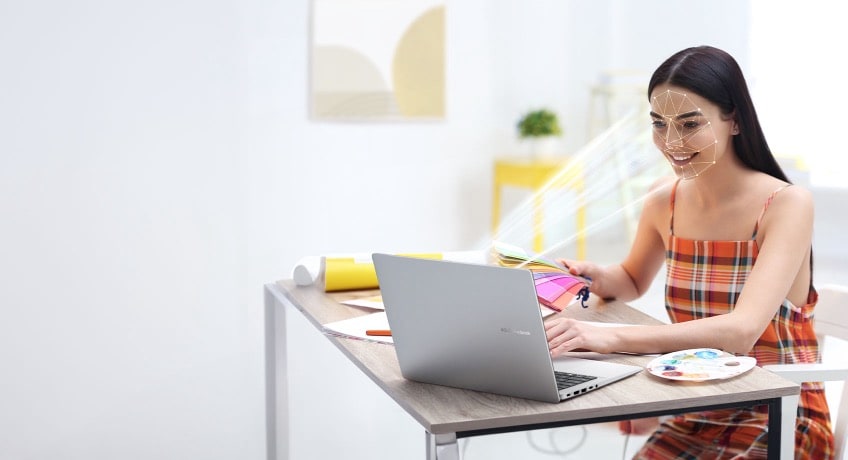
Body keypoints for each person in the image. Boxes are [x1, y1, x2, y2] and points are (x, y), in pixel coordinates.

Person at [545, 45, 835, 459]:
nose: (671, 141)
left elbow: (740, 332)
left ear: (734, 120)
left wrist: (610, 338)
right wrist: (592, 275)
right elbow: (631, 280)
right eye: (659, 124)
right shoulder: (664, 200)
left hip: (781, 413)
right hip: (697, 407)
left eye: (689, 123)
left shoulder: (786, 204)